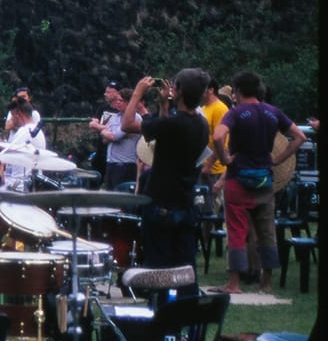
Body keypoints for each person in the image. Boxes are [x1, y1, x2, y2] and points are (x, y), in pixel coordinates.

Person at [210, 70, 307, 294]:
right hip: (265, 179)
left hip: (238, 179)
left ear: (238, 91)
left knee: (237, 231)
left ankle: (233, 284)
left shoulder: (236, 113)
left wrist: (225, 159)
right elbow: (300, 136)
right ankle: (266, 283)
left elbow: (217, 136)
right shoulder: (273, 112)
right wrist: (279, 158)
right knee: (266, 232)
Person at [121, 70, 211, 303]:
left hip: (161, 206)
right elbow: (165, 134)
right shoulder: (201, 124)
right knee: (185, 272)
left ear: (178, 91)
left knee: (158, 272)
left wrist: (137, 94)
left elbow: (127, 123)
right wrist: (163, 107)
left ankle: (160, 318)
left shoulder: (173, 125)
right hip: (184, 204)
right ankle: (186, 320)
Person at [92, 87, 138, 189]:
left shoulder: (134, 118)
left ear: (129, 103)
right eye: (117, 100)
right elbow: (105, 140)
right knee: (111, 200)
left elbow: (114, 136)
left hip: (125, 165)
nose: (117, 103)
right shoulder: (116, 117)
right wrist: (105, 131)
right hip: (111, 163)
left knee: (122, 200)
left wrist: (101, 129)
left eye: (121, 100)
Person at [0, 99, 45, 192]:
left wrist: (0, 168)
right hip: (36, 185)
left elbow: (14, 174)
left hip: (19, 188)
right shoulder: (39, 132)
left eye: (12, 117)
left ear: (19, 116)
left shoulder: (22, 133)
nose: (11, 120)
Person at [198, 77, 230, 212]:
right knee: (199, 206)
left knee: (212, 209)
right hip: (201, 166)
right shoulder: (204, 108)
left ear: (211, 90)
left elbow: (220, 141)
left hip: (214, 170)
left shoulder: (220, 109)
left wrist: (209, 164)